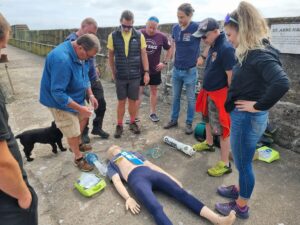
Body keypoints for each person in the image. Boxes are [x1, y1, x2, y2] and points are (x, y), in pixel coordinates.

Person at [214, 1, 290, 219]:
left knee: (244, 163)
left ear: (243, 30)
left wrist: (257, 105)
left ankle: (241, 206)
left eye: (230, 34)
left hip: (247, 118)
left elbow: (281, 83)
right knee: (242, 159)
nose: (228, 39)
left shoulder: (258, 54)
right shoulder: (256, 49)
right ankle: (241, 189)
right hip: (247, 117)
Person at [107, 145, 236, 225]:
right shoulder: (112, 163)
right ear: (111, 155)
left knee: (181, 193)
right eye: (113, 150)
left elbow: (152, 165)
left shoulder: (133, 153)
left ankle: (217, 219)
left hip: (149, 173)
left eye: (116, 147)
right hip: (137, 180)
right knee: (155, 207)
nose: (114, 149)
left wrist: (171, 177)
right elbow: (117, 181)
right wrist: (128, 198)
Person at [40, 34, 100, 172]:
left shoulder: (82, 56)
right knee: (72, 129)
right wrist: (79, 108)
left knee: (85, 115)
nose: (90, 60)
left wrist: (90, 95)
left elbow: (85, 77)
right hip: (58, 101)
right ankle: (78, 158)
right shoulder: (62, 59)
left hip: (75, 95)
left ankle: (77, 144)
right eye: (89, 56)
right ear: (80, 48)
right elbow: (57, 93)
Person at [0, 13, 38, 225]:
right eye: (2, 46)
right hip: (8, 197)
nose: (3, 51)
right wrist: (24, 196)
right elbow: (2, 164)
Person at [192, 18, 236, 177]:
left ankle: (225, 163)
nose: (203, 40)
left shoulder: (226, 48)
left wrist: (230, 99)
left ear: (215, 32)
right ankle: (209, 143)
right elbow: (208, 51)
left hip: (220, 95)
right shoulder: (213, 44)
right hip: (209, 91)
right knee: (207, 120)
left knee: (223, 129)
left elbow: (231, 77)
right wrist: (203, 57)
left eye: (204, 37)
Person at [65, 18, 109, 142]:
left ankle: (97, 127)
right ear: (82, 27)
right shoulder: (72, 41)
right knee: (82, 107)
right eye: (89, 32)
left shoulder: (89, 41)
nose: (91, 36)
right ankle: (83, 133)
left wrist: (94, 67)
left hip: (93, 78)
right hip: (79, 80)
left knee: (101, 103)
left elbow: (91, 56)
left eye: (94, 34)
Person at [107, 10, 149, 138]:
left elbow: (143, 54)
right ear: (120, 22)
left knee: (133, 101)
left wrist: (146, 72)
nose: (126, 28)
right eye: (124, 25)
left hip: (135, 75)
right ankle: (119, 125)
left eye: (129, 26)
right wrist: (113, 72)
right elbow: (110, 56)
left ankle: (132, 122)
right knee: (121, 101)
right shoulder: (113, 36)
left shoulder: (139, 35)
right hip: (121, 75)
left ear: (133, 23)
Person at [164, 3, 202, 135]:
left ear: (190, 15)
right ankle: (173, 120)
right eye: (178, 17)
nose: (180, 20)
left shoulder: (197, 27)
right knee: (175, 97)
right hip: (177, 69)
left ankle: (189, 123)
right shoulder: (175, 28)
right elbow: (173, 44)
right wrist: (171, 57)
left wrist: (202, 56)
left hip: (190, 71)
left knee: (191, 98)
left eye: (182, 17)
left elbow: (211, 40)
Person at [136, 16, 172, 122]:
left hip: (154, 69)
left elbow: (170, 49)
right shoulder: (139, 33)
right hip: (140, 69)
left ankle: (152, 113)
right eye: (150, 27)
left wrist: (164, 62)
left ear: (157, 27)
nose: (151, 30)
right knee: (139, 91)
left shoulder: (161, 36)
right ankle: (135, 115)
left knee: (154, 91)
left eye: (154, 28)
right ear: (146, 25)